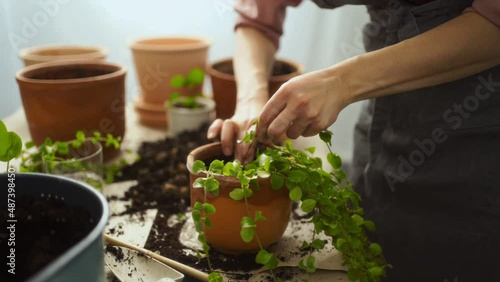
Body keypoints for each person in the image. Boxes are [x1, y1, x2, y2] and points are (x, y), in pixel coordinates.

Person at [207, 0, 500, 281]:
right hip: (383, 117)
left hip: (474, 132)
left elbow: (492, 21)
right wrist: (250, 101)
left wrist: (343, 82)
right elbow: (259, 13)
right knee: (368, 245)